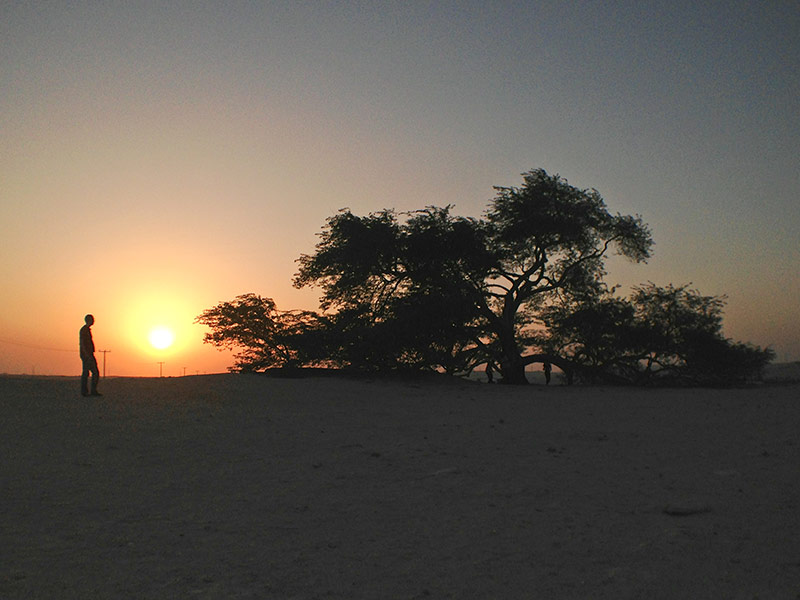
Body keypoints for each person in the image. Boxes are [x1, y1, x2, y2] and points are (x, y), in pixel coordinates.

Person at [80, 314, 101, 397]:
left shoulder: (87, 330)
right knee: (91, 372)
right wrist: (86, 354)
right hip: (87, 355)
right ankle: (86, 391)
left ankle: (90, 391)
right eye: (92, 319)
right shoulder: (84, 330)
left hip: (89, 354)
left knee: (90, 372)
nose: (93, 321)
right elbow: (82, 343)